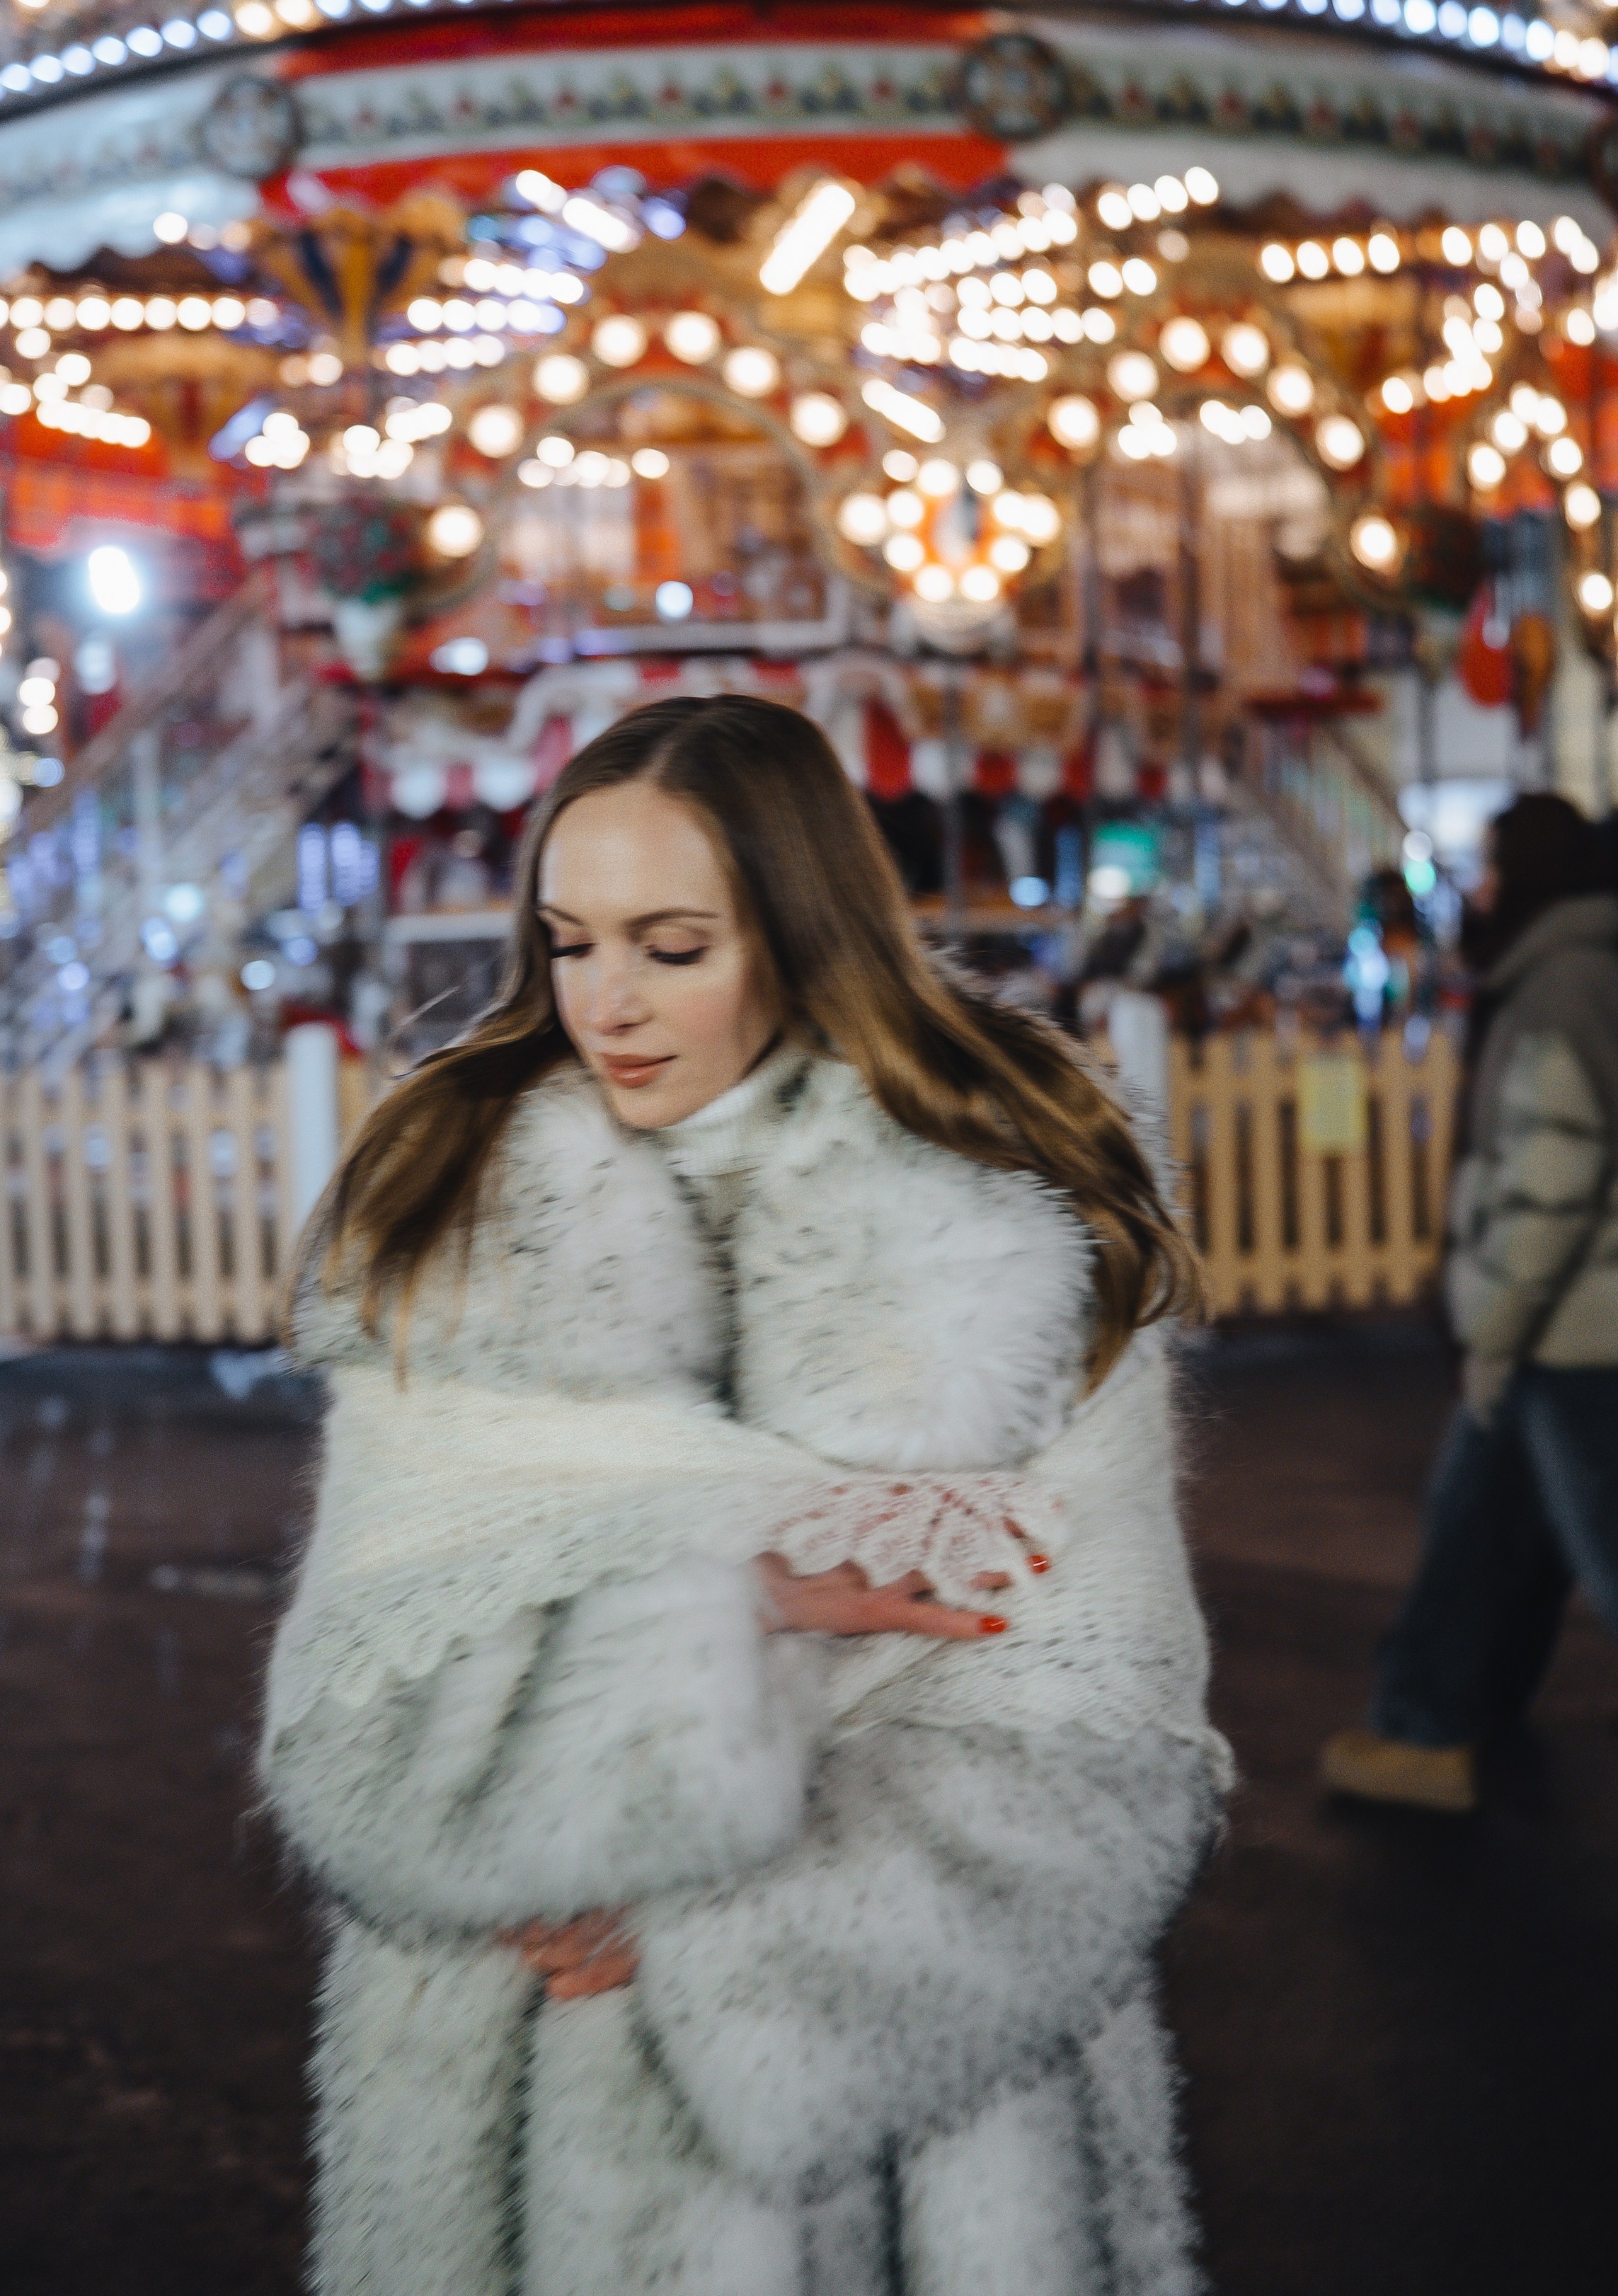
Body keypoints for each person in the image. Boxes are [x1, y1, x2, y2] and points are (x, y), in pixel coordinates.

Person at [263, 695, 1224, 2295]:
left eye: (670, 945)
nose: (605, 1006)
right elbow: (352, 1697)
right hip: (513, 2091)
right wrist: (730, 1594)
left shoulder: (1009, 1223)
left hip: (915, 2125)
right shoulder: (462, 1209)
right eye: (569, 944)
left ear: (796, 933)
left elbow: (1102, 1726)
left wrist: (724, 1946)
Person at [1324, 791, 1618, 1813]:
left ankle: (1432, 1718)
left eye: (1490, 868)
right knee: (1478, 1521)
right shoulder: (1567, 971)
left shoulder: (1562, 983)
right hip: (1560, 1321)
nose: (1476, 889)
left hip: (1572, 1327)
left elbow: (1552, 1178)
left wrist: (1492, 1327)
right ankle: (1432, 1718)